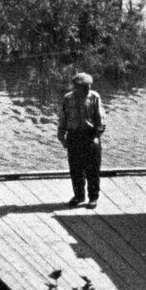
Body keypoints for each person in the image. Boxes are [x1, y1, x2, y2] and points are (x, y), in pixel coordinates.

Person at [58, 71, 105, 208]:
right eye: (84, 86)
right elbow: (63, 119)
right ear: (75, 86)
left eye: (89, 86)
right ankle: (79, 196)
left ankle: (93, 197)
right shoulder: (67, 99)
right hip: (74, 136)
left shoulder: (94, 97)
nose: (87, 89)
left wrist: (97, 135)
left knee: (93, 169)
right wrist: (62, 137)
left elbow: (101, 120)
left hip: (90, 136)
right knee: (76, 169)